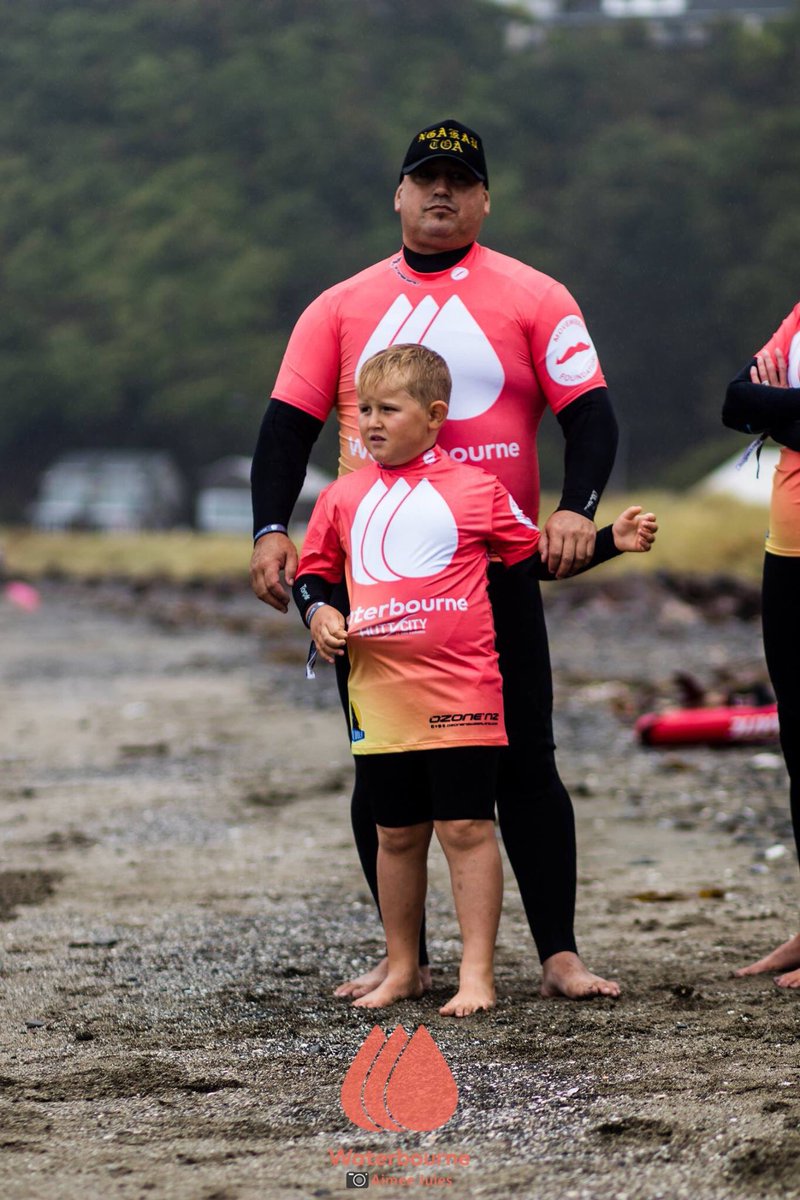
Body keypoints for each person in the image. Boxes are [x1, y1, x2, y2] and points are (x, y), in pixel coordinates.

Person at [250, 118, 621, 1000]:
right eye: (425, 180)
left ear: (486, 199)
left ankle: (558, 954)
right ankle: (403, 958)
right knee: (384, 764)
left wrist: (577, 511)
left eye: (459, 181)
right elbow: (284, 430)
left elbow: (593, 417)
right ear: (400, 195)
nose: (441, 194)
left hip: (489, 567)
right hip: (374, 576)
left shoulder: (536, 296)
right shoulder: (338, 307)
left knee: (526, 757)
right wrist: (271, 529)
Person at [293, 344, 656, 1015]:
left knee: (466, 827)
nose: (370, 422)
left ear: (434, 416)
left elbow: (535, 561)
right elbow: (313, 573)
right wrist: (319, 615)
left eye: (388, 409)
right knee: (395, 833)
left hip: (462, 688)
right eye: (363, 409)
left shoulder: (475, 490)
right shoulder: (342, 497)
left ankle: (477, 974)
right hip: (380, 691)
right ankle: (403, 967)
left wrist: (610, 540)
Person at [723, 303, 800, 989]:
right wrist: (779, 408)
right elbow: (736, 401)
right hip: (788, 555)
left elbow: (767, 406)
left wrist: (781, 405)